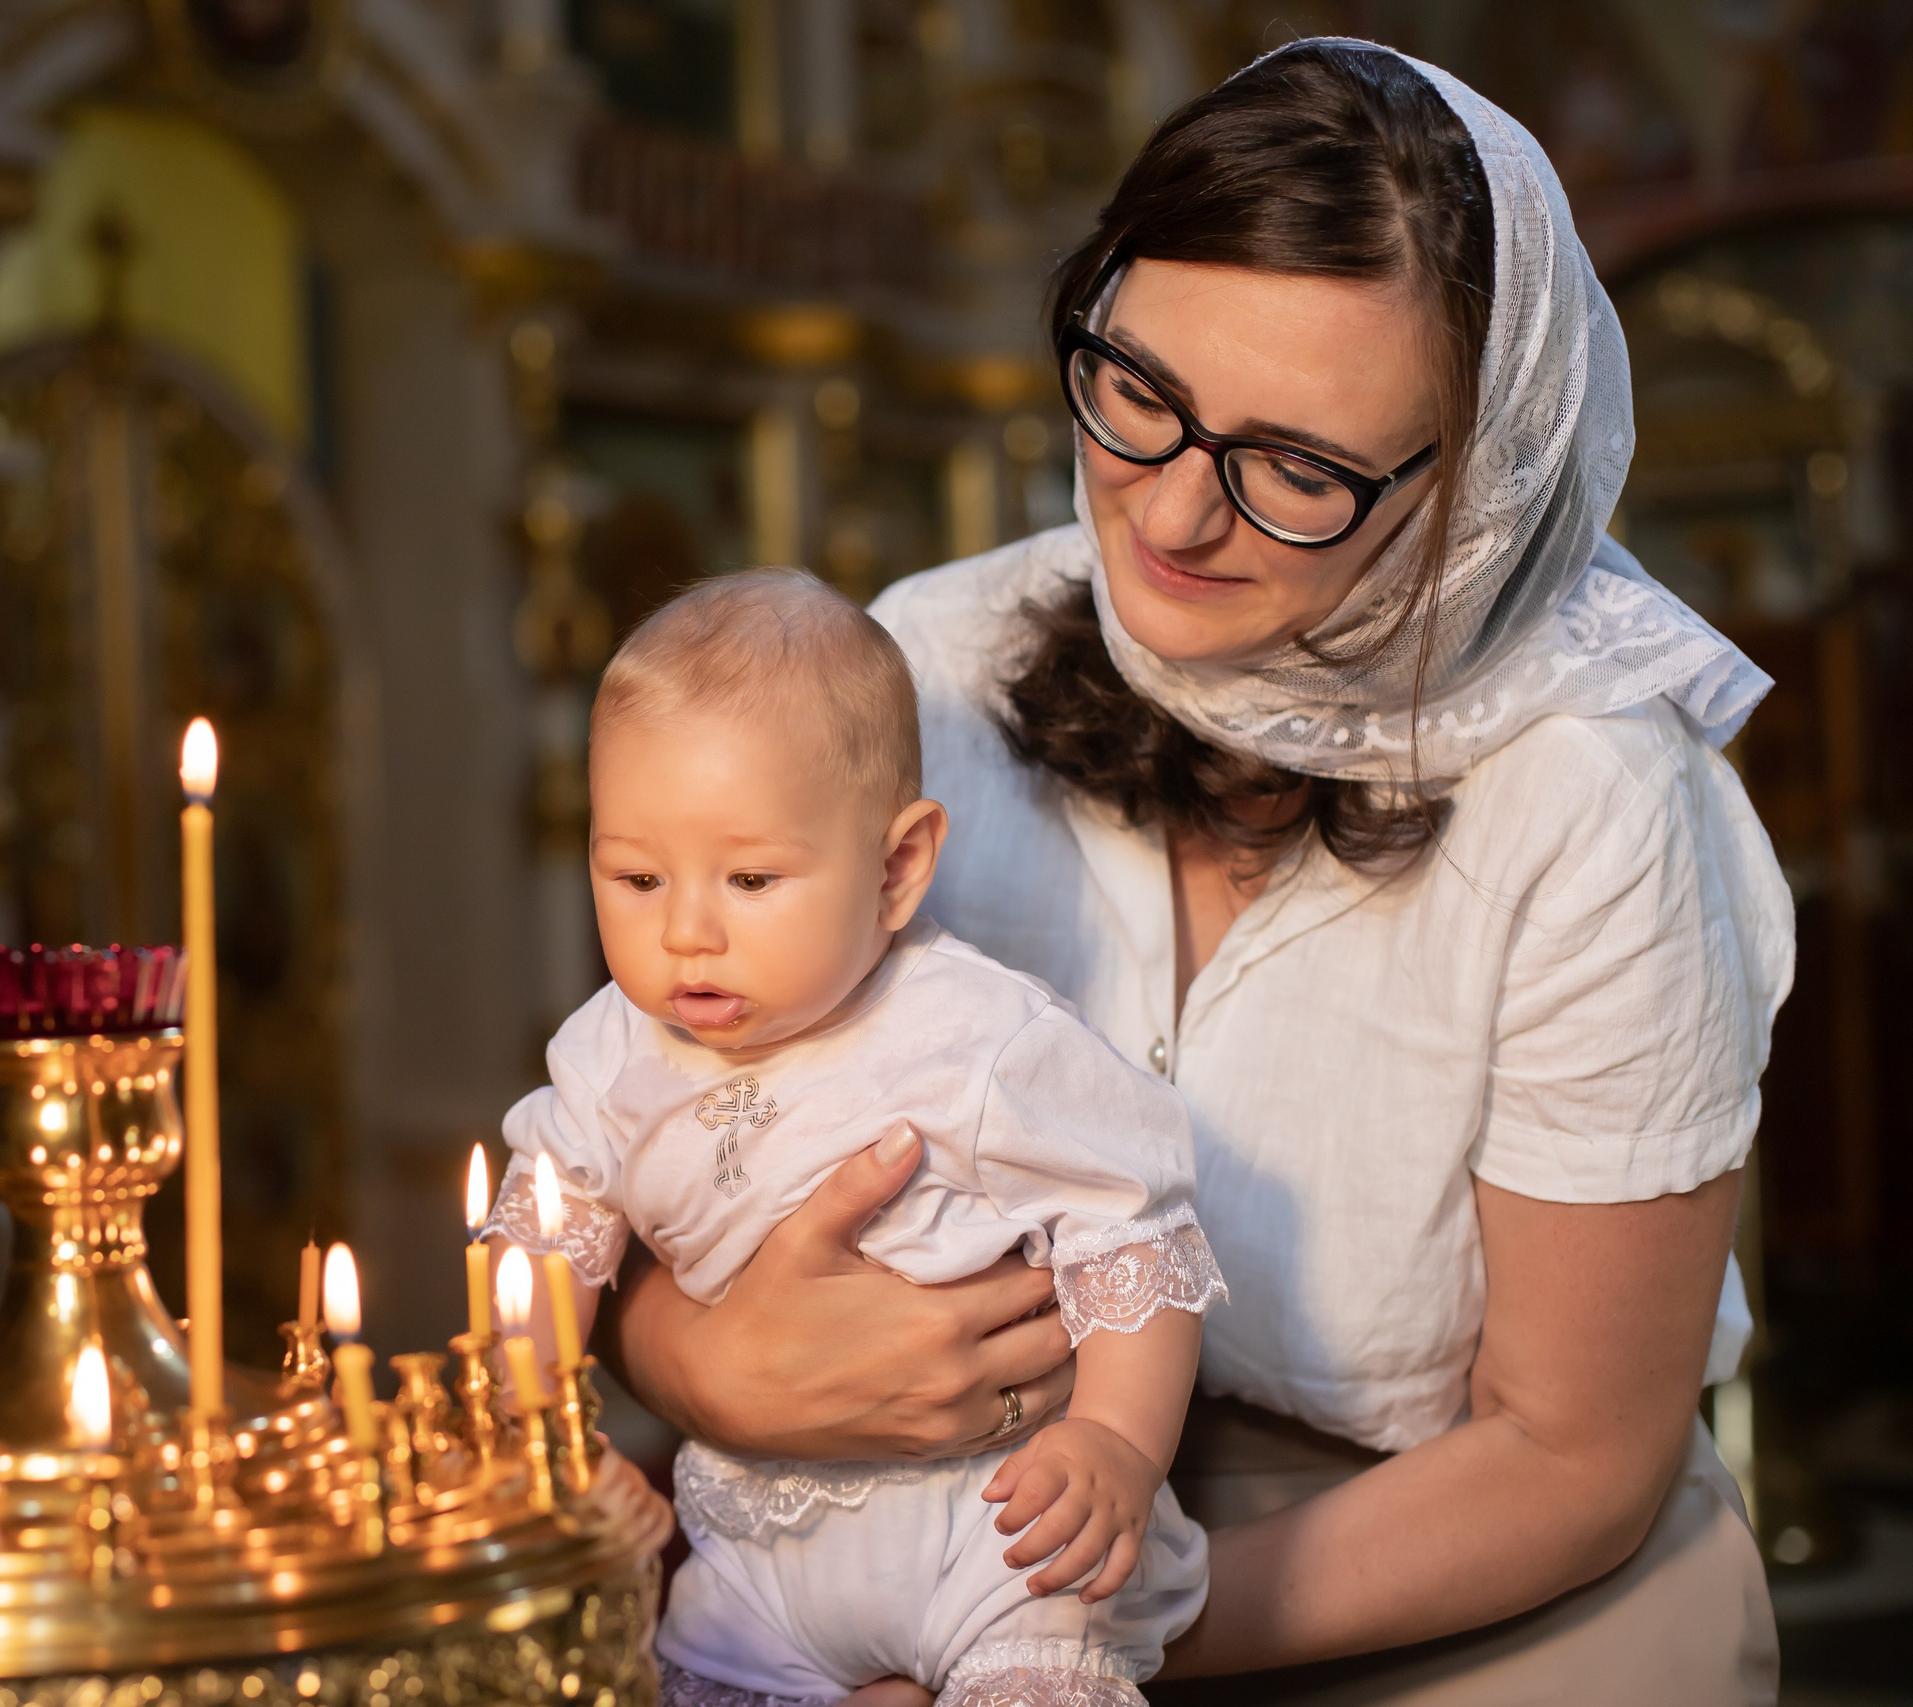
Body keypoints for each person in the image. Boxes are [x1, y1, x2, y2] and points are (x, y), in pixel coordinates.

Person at [599, 38, 1788, 1707]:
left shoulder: (1594, 797)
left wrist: (1023, 1644)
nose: (1167, 510)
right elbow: (655, 1129)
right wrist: (700, 1355)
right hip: (934, 1534)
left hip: (1464, 1583)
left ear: (1474, 485)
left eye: (1296, 468)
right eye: (1137, 388)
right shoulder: (924, 671)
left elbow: (1572, 1458)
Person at [491, 569, 1228, 1707]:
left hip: (996, 1538)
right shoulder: (607, 1056)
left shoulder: (978, 1037)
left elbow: (1134, 1233)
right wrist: (536, 1426)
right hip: (753, 1565)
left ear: (895, 869)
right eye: (634, 876)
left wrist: (1122, 1444)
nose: (686, 931)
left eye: (749, 879)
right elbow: (546, 1225)